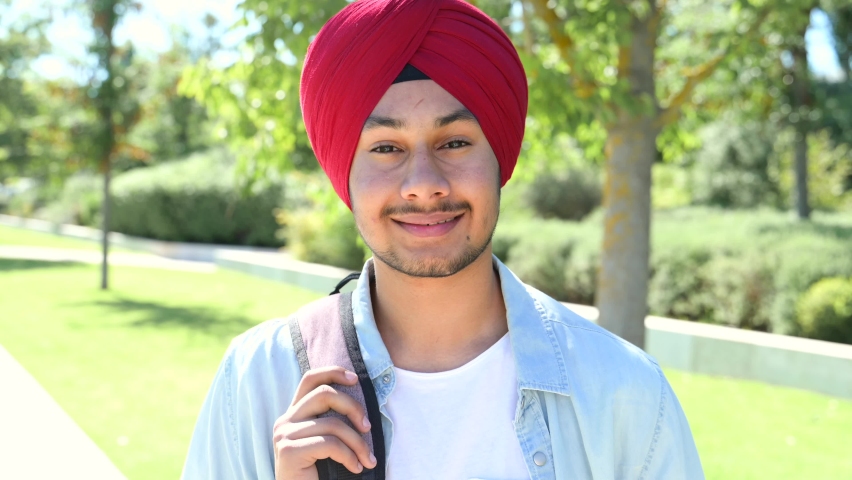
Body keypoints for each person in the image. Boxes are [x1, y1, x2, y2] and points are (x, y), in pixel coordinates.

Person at [182, 1, 704, 479]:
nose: (423, 182)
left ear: (500, 157)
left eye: (454, 141)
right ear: (345, 174)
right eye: (386, 147)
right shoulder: (256, 381)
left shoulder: (624, 393)